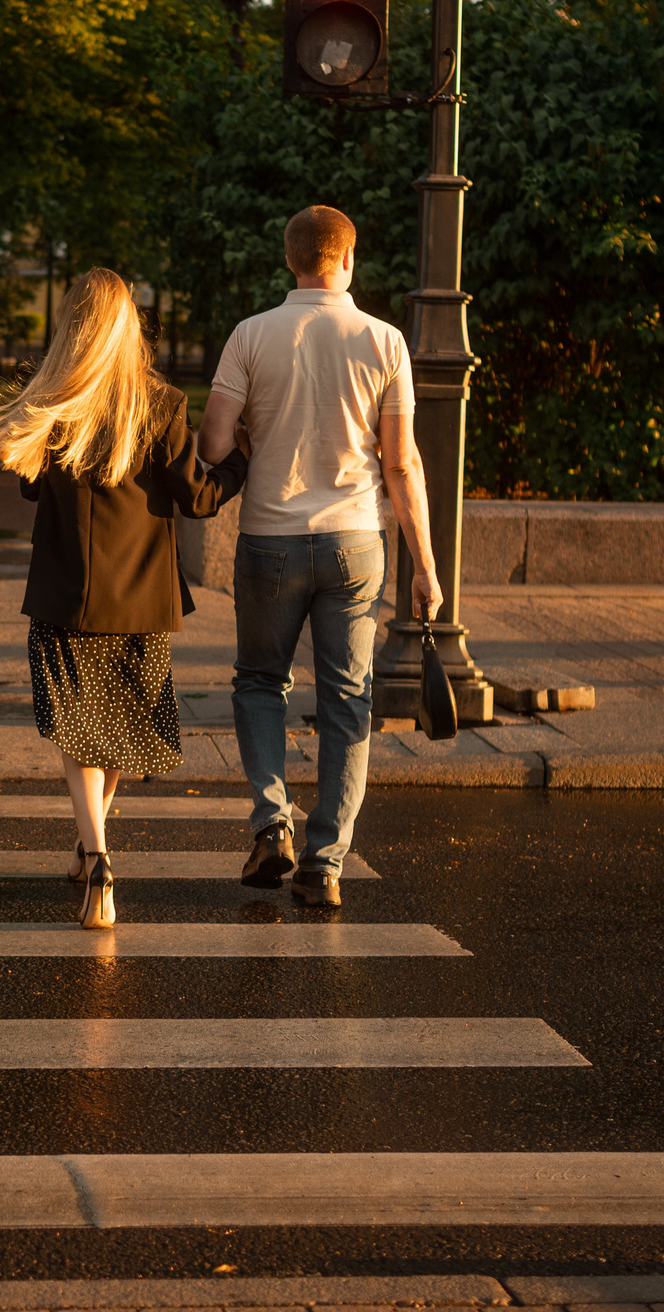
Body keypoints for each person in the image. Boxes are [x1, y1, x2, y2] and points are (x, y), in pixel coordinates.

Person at [0, 269, 248, 930]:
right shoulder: (160, 403)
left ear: (72, 325)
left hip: (66, 592)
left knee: (77, 727)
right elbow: (199, 497)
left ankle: (96, 856)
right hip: (141, 597)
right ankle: (91, 843)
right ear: (130, 325)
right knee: (121, 728)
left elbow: (31, 491)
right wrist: (242, 454)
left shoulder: (54, 400)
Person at [200, 205, 442, 907]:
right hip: (355, 544)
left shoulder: (250, 335)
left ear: (291, 260)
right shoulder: (385, 342)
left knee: (259, 682)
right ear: (349, 259)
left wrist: (253, 428)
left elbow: (213, 446)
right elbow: (401, 465)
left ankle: (271, 822)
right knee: (346, 701)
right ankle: (326, 862)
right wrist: (423, 566)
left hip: (270, 539)